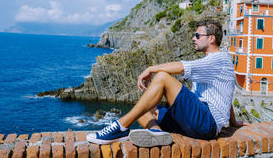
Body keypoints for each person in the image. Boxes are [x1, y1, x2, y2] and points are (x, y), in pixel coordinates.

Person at [87, 19, 244, 146]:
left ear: (211, 38)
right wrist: (233, 121)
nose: (193, 38)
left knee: (162, 77)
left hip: (205, 123)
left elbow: (182, 67)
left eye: (197, 35)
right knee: (145, 108)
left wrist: (151, 69)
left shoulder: (219, 59)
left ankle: (119, 126)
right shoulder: (211, 63)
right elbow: (226, 93)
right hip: (194, 124)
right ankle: (156, 132)